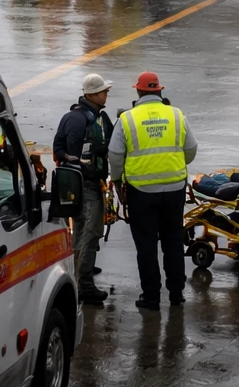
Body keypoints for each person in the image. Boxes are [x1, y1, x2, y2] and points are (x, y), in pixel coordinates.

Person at [108, 71, 198, 311]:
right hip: (174, 189)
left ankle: (151, 297)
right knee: (173, 241)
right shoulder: (176, 115)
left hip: (141, 192)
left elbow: (115, 156)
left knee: (146, 245)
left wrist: (117, 182)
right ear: (160, 91)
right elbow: (191, 149)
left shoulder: (127, 119)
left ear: (138, 92)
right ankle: (177, 293)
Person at [53, 73, 115, 305]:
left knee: (80, 229)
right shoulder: (85, 120)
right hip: (87, 185)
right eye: (103, 91)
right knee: (90, 232)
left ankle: (79, 269)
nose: (106, 94)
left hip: (76, 186)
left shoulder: (76, 116)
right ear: (92, 94)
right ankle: (83, 283)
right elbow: (77, 152)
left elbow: (59, 148)